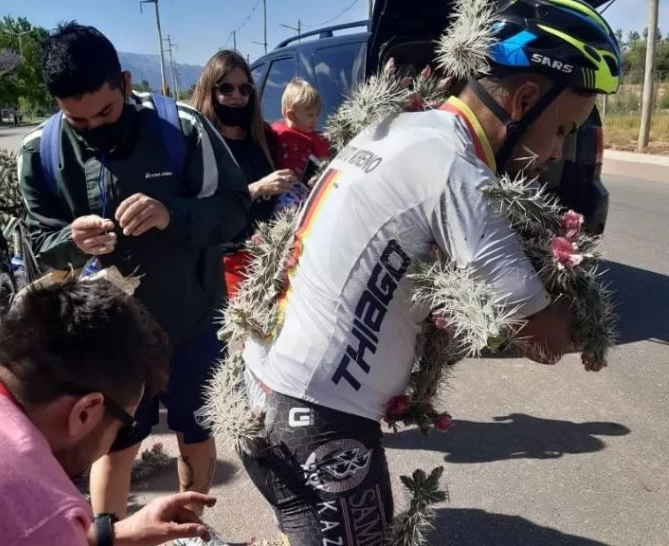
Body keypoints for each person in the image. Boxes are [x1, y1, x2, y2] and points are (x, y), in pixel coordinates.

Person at [237, 2, 622, 545]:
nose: (558, 151)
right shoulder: (456, 171)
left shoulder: (398, 128)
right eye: (562, 129)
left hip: (261, 387)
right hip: (320, 422)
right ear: (525, 99)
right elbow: (546, 339)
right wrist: (574, 294)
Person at [17, 24, 250, 522]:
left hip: (192, 324)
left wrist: (174, 214)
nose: (95, 128)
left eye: (105, 112)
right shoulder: (41, 152)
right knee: (115, 444)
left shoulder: (182, 128)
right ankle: (115, 539)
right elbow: (41, 244)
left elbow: (236, 210)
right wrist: (70, 241)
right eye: (77, 120)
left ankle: (190, 530)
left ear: (124, 83)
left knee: (196, 432)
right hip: (107, 339)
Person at [0, 279, 218, 546]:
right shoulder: (42, 512)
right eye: (123, 428)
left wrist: (110, 535)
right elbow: (37, 529)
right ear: (85, 413)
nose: (118, 438)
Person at [191, 50, 297, 300]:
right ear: (210, 91)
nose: (237, 97)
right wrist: (256, 188)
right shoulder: (199, 144)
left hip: (275, 257)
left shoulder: (265, 138)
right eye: (226, 88)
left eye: (245, 89)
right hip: (228, 264)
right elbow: (198, 211)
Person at [270, 78, 331, 213]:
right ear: (291, 115)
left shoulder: (315, 138)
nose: (315, 120)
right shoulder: (275, 131)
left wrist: (319, 176)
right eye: (310, 115)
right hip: (273, 184)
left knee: (290, 209)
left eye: (317, 115)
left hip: (297, 186)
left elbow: (324, 163)